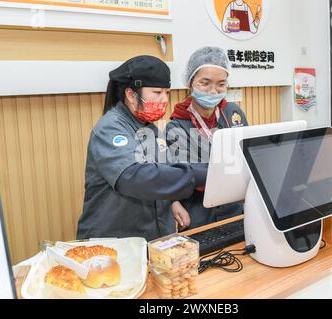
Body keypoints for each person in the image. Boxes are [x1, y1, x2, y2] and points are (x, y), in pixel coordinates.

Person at [77, 55, 207, 241]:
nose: (164, 100)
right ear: (131, 95)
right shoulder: (110, 128)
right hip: (114, 242)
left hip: (151, 239)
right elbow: (134, 176)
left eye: (166, 93)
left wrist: (173, 202)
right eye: (156, 92)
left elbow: (165, 169)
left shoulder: (150, 128)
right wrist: (197, 175)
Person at [166, 47, 248, 230]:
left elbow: (247, 154)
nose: (213, 91)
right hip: (199, 213)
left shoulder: (233, 113)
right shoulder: (177, 125)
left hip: (234, 208)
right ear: (190, 83)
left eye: (221, 84)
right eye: (205, 83)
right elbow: (187, 175)